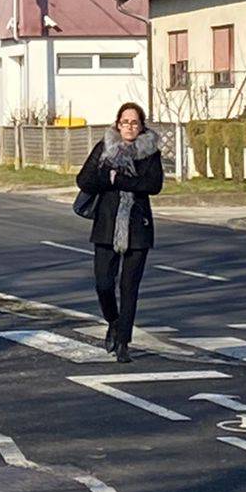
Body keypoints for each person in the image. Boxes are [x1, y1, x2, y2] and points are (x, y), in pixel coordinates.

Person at [75, 101, 166, 363]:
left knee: (129, 287)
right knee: (103, 283)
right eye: (125, 122)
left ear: (141, 126)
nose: (129, 126)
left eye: (134, 122)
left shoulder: (150, 153)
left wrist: (120, 179)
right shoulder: (104, 148)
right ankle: (113, 321)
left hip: (138, 228)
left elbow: (153, 185)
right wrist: (108, 178)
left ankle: (124, 342)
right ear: (117, 124)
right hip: (106, 225)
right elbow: (84, 180)